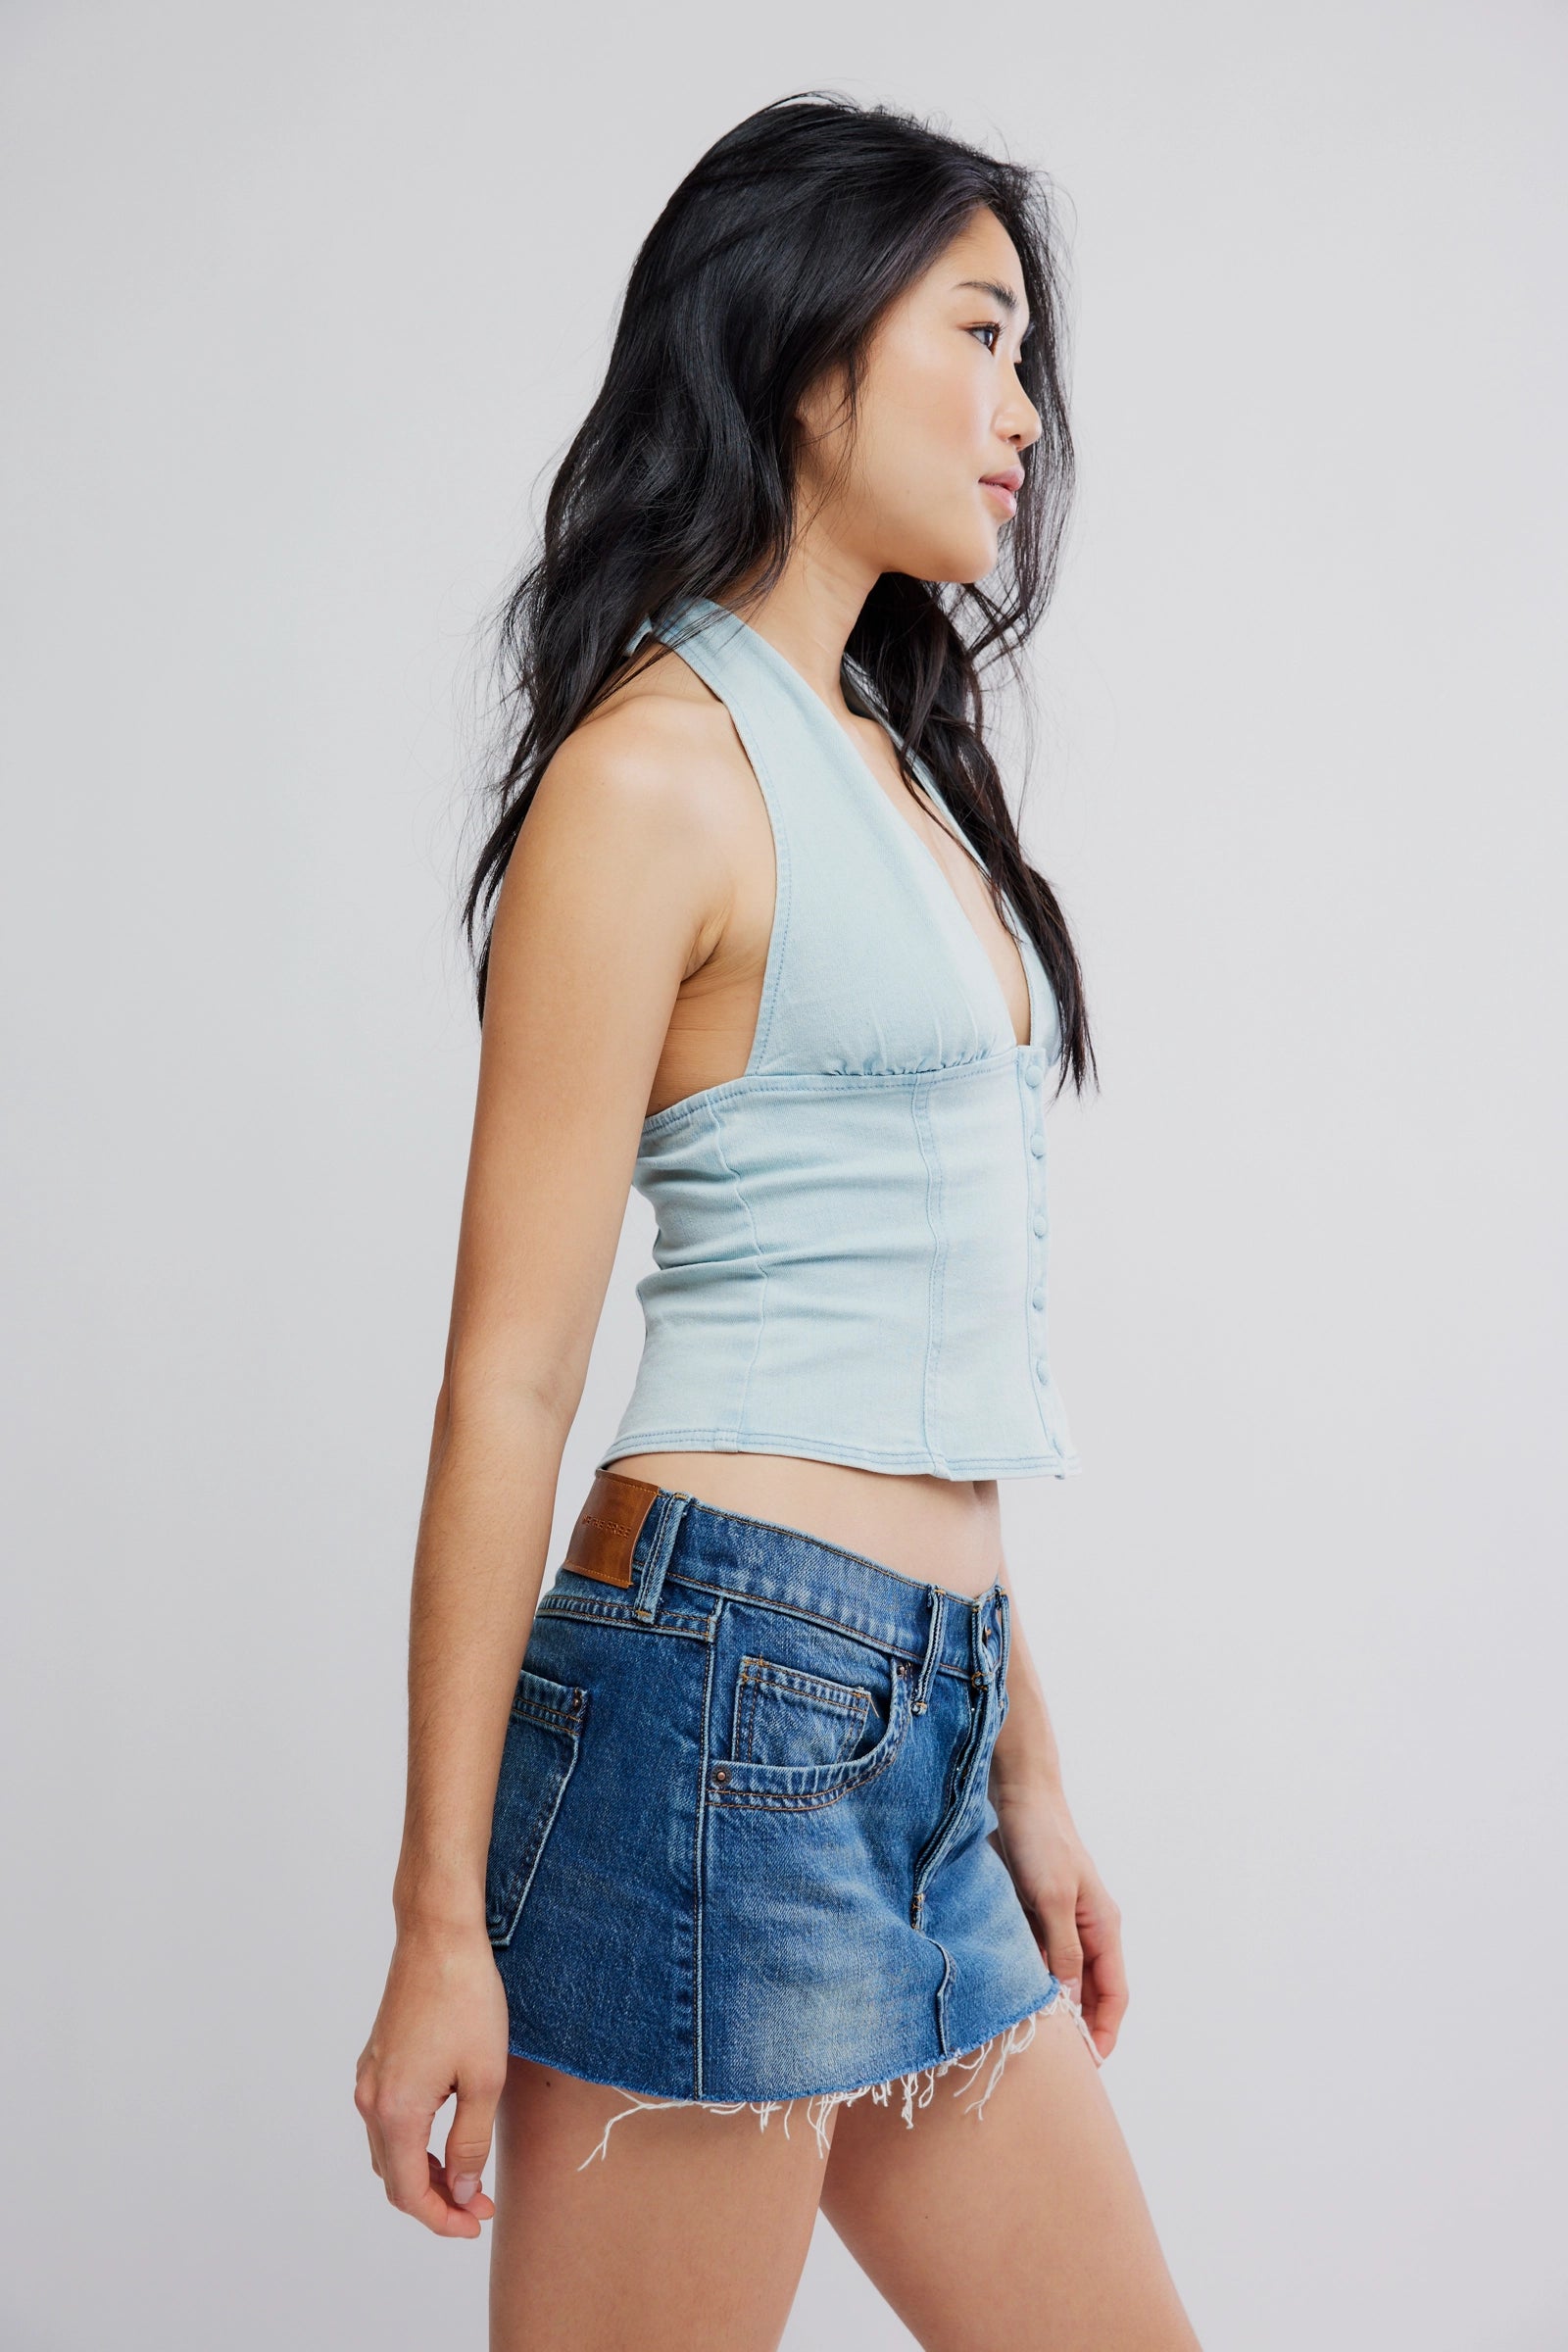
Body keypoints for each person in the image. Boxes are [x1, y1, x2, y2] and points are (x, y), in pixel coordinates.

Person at [355, 91, 1203, 2352]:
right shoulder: (651, 777)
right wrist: (439, 1919)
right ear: (807, 348)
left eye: (1028, 360)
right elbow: (508, 1378)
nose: (1024, 415)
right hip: (716, 1703)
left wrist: (1021, 1771)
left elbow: (918, 1359)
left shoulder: (887, 764)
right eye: (981, 334)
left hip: (903, 1721)